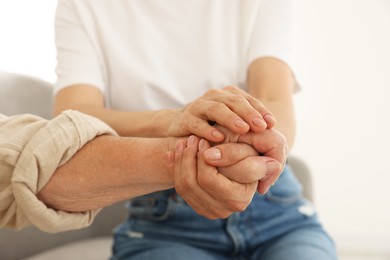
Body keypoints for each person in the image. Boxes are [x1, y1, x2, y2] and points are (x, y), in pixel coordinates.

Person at [53, 0, 337, 259]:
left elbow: (275, 100)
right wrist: (172, 120)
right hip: (164, 222)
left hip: (277, 213)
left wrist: (245, 159)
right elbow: (73, 119)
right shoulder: (82, 6)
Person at [0, 111, 277, 232]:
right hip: (158, 212)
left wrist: (253, 147)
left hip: (276, 207)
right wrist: (187, 142)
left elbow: (274, 113)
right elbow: (68, 122)